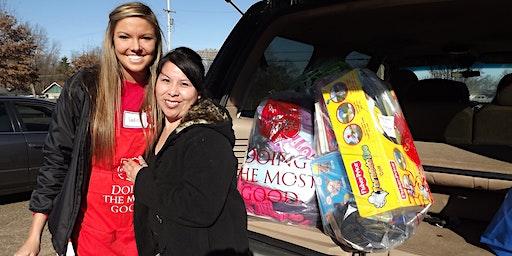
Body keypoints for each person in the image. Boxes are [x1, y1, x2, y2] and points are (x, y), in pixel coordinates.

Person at [15, 2, 163, 255]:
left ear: (157, 42)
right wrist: (33, 235)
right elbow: (56, 160)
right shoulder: (84, 87)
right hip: (90, 234)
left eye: (145, 37)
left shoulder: (164, 91)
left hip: (142, 234)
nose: (136, 47)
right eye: (125, 37)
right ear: (112, 40)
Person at [122, 47, 250, 256]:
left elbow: (198, 207)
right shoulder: (160, 130)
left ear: (198, 93)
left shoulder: (208, 138)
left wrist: (141, 179)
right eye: (165, 80)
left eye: (184, 84)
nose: (172, 91)